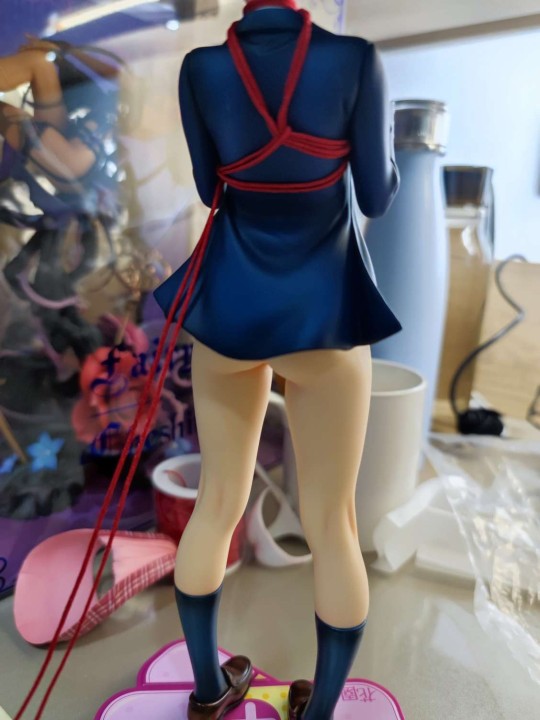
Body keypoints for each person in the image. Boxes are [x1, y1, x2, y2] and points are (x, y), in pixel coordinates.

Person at [152, 1, 402, 718]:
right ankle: (318, 712)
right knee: (333, 522)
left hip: (230, 310)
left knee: (216, 503)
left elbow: (210, 189)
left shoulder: (201, 69)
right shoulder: (355, 60)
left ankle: (208, 691)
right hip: (326, 312)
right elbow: (377, 195)